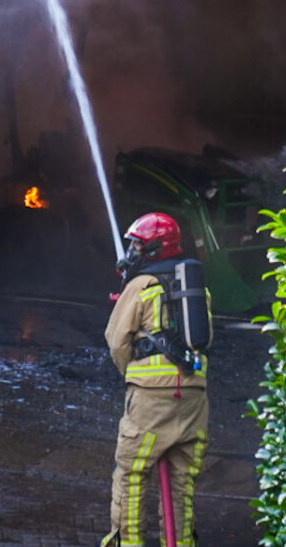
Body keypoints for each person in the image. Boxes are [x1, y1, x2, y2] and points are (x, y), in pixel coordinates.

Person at [102, 211, 209, 547]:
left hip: (150, 401)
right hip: (193, 401)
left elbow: (116, 339)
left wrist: (132, 375)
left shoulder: (140, 286)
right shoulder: (197, 290)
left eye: (137, 246)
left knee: (132, 475)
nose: (131, 253)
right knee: (182, 484)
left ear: (155, 249)